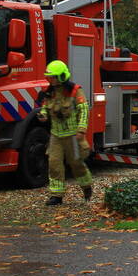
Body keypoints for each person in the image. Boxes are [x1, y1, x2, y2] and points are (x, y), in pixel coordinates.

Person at [37, 60, 93, 206]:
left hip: (73, 136)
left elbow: (84, 109)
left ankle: (86, 187)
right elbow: (44, 107)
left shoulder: (75, 91)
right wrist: (43, 114)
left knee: (76, 164)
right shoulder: (49, 92)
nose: (51, 80)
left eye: (54, 77)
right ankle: (56, 195)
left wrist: (81, 129)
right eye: (49, 78)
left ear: (62, 76)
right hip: (56, 136)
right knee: (54, 164)